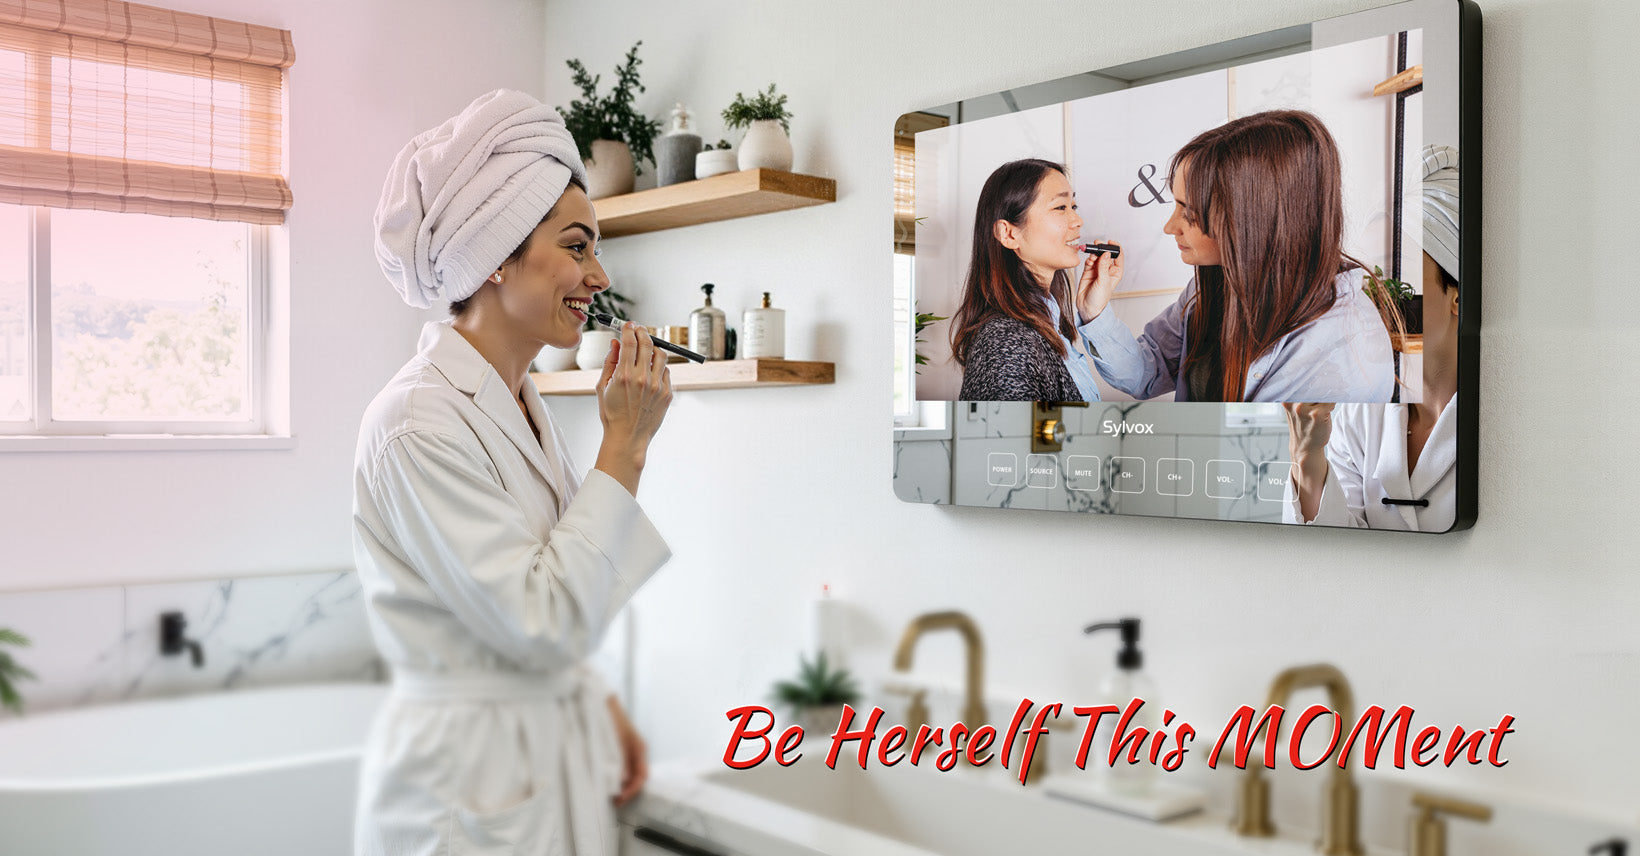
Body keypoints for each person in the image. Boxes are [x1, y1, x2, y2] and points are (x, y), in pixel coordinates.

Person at [354, 89, 674, 855]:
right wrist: (625, 445)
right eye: (577, 247)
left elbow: (546, 583)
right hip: (463, 794)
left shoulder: (519, 402)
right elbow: (539, 622)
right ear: (497, 255)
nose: (599, 276)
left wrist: (598, 704)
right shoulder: (416, 425)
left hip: (538, 754)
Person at [1075, 110, 1395, 402]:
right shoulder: (1215, 286)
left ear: (1254, 219)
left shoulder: (1340, 353)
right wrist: (1095, 311)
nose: (1170, 227)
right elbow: (1148, 370)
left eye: (1190, 213)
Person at [1282, 144, 1462, 531]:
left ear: (1457, 296)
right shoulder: (1358, 414)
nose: (1374, 295)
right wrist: (1307, 456)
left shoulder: (1508, 418)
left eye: (1398, 275)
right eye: (1366, 275)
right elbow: (1328, 553)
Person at [949, 158, 1118, 401]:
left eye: (1074, 206)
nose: (1077, 220)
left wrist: (1093, 311)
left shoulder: (1047, 325)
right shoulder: (1005, 343)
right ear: (1009, 234)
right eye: (1060, 207)